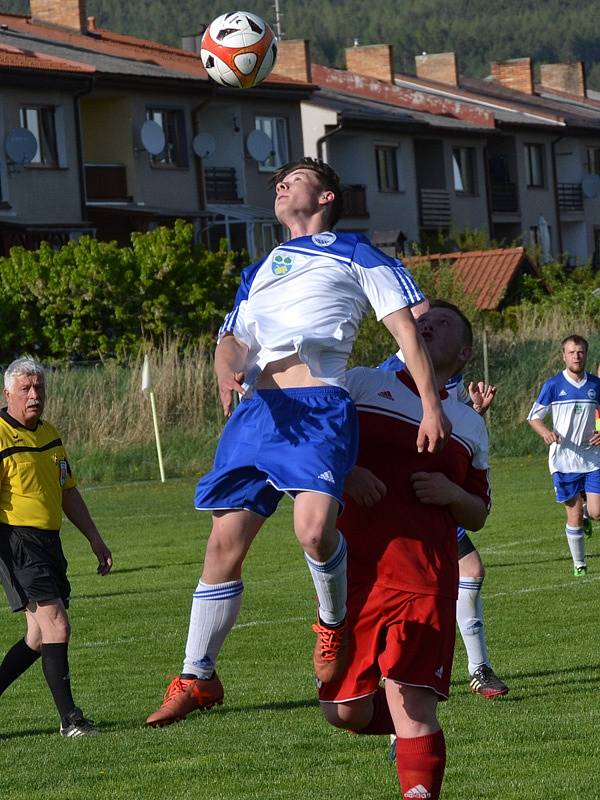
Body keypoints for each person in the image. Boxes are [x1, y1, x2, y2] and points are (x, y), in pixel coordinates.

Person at [145, 157, 451, 727]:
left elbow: (410, 324)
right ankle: (197, 676)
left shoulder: (356, 251)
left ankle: (331, 623)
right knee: (221, 549)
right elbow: (233, 338)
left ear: (327, 196)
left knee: (313, 532)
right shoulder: (260, 268)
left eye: (295, 179)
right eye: (277, 183)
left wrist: (432, 405)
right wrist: (225, 369)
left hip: (318, 410)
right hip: (258, 412)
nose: (280, 186)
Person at [318, 301, 491, 800]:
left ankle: (418, 768)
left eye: (442, 326)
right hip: (357, 576)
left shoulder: (468, 423)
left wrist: (453, 494)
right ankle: (413, 734)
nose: (427, 326)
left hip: (426, 579)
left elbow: (479, 512)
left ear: (463, 353)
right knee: (344, 711)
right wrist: (346, 473)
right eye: (422, 322)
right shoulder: (362, 385)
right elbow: (314, 442)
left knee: (412, 703)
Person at [381, 323, 507, 699]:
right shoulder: (386, 373)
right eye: (420, 319)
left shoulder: (446, 370)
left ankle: (478, 669)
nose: (427, 325)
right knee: (402, 592)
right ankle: (391, 688)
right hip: (400, 502)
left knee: (470, 569)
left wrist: (474, 411)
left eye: (437, 320)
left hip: (436, 496)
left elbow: (443, 429)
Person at [0, 357, 113, 737]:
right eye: (25, 390)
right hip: (17, 543)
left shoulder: (49, 434)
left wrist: (95, 538)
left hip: (49, 542)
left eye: (39, 389)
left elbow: (68, 490)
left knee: (37, 637)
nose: (34, 396)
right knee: (57, 626)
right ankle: (70, 720)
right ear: (7, 394)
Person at [528, 334, 600, 576]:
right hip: (563, 459)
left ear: (585, 355)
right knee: (574, 513)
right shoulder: (553, 385)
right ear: (564, 355)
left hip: (592, 457)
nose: (576, 356)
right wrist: (546, 433)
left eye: (580, 352)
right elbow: (534, 417)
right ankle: (579, 564)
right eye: (571, 352)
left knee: (597, 511)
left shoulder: (596, 385)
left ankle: (589, 514)